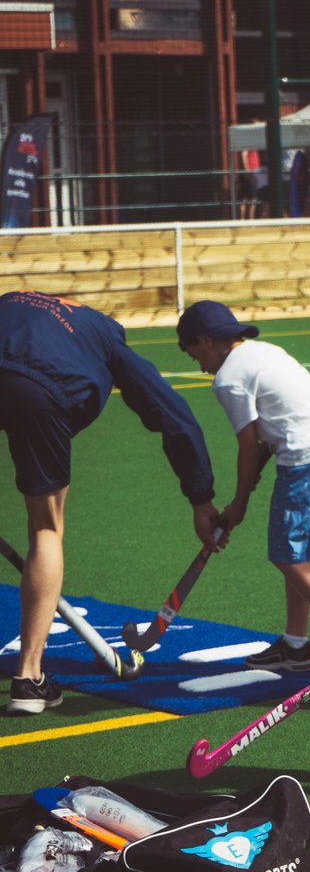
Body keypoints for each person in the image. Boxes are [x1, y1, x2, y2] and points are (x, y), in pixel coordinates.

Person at [0, 290, 219, 714]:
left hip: (29, 386)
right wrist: (201, 497)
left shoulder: (11, 301)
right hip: (41, 393)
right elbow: (171, 414)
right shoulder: (103, 332)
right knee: (45, 528)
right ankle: (29, 678)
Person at [177, 299, 310, 673]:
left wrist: (239, 504)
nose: (200, 366)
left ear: (205, 341)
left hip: (306, 460)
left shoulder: (228, 378)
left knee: (286, 555)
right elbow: (268, 435)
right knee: (296, 555)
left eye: (194, 355)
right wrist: (242, 494)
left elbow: (248, 444)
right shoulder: (265, 351)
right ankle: (296, 646)